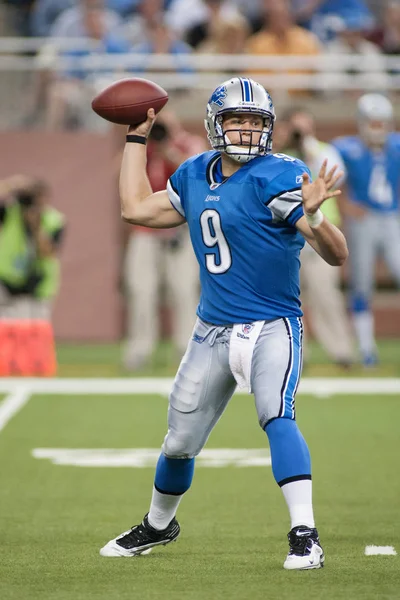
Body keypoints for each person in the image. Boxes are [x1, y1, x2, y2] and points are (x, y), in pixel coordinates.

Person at [100, 77, 348, 569]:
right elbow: (135, 208)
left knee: (277, 415)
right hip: (211, 330)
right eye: (237, 119)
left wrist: (316, 218)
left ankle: (305, 534)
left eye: (255, 122)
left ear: (268, 128)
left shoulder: (277, 175)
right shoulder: (195, 173)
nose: (246, 130)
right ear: (216, 124)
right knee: (178, 443)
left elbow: (336, 255)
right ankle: (158, 525)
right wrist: (136, 138)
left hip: (271, 325)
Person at [122, 113, 205, 371]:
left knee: (183, 291)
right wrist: (142, 144)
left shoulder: (189, 143)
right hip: (145, 230)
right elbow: (119, 173)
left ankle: (185, 348)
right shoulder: (143, 148)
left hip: (179, 230)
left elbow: (196, 173)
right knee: (141, 290)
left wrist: (168, 148)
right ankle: (140, 348)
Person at [281, 107, 355, 368]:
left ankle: (341, 351)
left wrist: (308, 146)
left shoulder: (323, 150)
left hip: (321, 233)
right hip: (291, 237)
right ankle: (297, 354)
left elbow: (338, 175)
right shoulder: (281, 155)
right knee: (290, 300)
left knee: (327, 296)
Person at [332, 93, 400, 366]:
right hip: (363, 220)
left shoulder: (395, 146)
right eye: (372, 123)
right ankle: (366, 348)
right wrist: (345, 205)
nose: (377, 129)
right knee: (362, 283)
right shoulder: (347, 148)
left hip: (392, 217)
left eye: (381, 123)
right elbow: (327, 173)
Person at [0, 175, 65, 320]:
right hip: (7, 283)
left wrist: (37, 227)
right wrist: (11, 185)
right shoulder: (11, 212)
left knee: (34, 334)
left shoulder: (54, 220)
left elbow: (47, 253)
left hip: (39, 286)